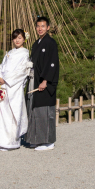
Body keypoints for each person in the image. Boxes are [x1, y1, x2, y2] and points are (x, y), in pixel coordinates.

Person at [26, 16, 60, 151]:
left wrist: (45, 80)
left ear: (48, 28)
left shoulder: (50, 43)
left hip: (45, 82)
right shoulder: (36, 44)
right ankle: (36, 139)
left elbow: (52, 63)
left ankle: (48, 141)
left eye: (43, 26)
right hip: (35, 80)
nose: (40, 29)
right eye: (38, 26)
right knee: (34, 110)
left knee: (45, 111)